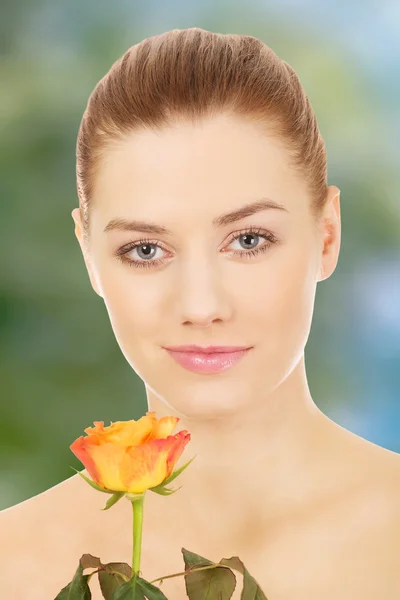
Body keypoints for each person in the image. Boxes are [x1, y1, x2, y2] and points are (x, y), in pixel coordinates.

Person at [2, 27, 400, 600]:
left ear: (327, 235)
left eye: (248, 240)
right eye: (145, 250)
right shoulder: (13, 567)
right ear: (89, 254)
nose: (201, 306)